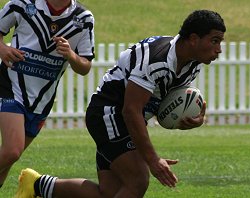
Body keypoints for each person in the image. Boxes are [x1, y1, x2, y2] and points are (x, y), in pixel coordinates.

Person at [15, 9, 226, 198]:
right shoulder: (156, 59)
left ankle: (36, 185)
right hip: (109, 114)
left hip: (123, 119)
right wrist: (152, 160)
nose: (219, 49)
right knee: (137, 180)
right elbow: (131, 110)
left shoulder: (192, 64)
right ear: (193, 39)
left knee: (110, 193)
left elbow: (162, 107)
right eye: (215, 41)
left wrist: (187, 120)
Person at [0, 0, 94, 189]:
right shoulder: (22, 4)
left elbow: (85, 66)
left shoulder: (84, 19)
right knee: (12, 150)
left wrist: (71, 55)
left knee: (5, 166)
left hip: (42, 99)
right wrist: (2, 49)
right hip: (11, 85)